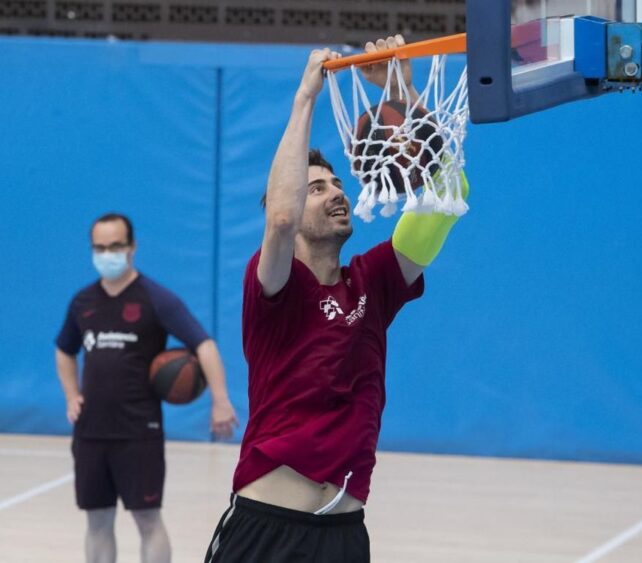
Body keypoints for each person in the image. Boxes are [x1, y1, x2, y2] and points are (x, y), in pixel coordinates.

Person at [204, 36, 467, 562]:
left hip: (345, 535)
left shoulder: (375, 281)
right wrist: (306, 96)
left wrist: (405, 93)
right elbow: (279, 217)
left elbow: (447, 197)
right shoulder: (274, 285)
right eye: (317, 188)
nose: (337, 193)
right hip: (265, 529)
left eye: (338, 183)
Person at [55, 212, 239, 563]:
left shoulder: (156, 299)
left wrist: (220, 400)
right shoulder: (83, 302)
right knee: (97, 521)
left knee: (147, 520)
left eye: (115, 246)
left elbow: (204, 346)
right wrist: (70, 394)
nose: (106, 253)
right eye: (99, 247)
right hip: (91, 431)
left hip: (138, 431)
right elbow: (64, 349)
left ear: (132, 247)